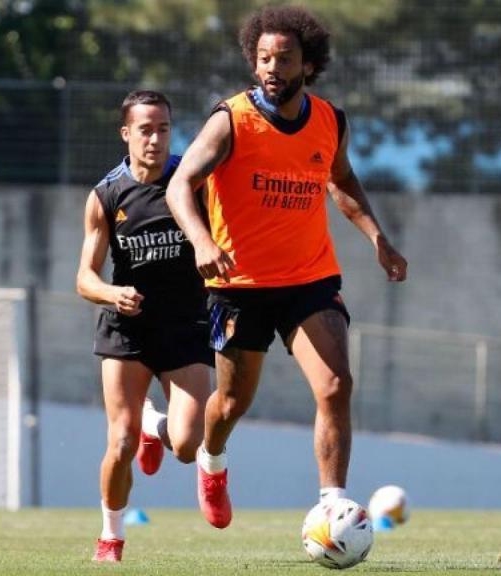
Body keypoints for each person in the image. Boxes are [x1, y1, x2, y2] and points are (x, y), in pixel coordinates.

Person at [167, 6, 408, 530]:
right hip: (238, 285)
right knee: (231, 402)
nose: (272, 67)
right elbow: (179, 184)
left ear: (308, 65)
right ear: (253, 63)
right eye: (263, 58)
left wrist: (379, 240)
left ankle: (332, 506)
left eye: (284, 58)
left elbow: (341, 182)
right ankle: (212, 462)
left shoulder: (329, 121)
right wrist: (202, 240)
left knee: (336, 385)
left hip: (310, 280)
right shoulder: (230, 120)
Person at [76, 90, 213, 562]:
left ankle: (157, 425)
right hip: (126, 329)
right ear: (126, 134)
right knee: (119, 440)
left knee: (188, 445)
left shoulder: (192, 182)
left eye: (164, 128)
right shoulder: (106, 194)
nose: (155, 139)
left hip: (185, 327)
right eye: (146, 129)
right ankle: (110, 537)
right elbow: (84, 279)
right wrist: (113, 294)